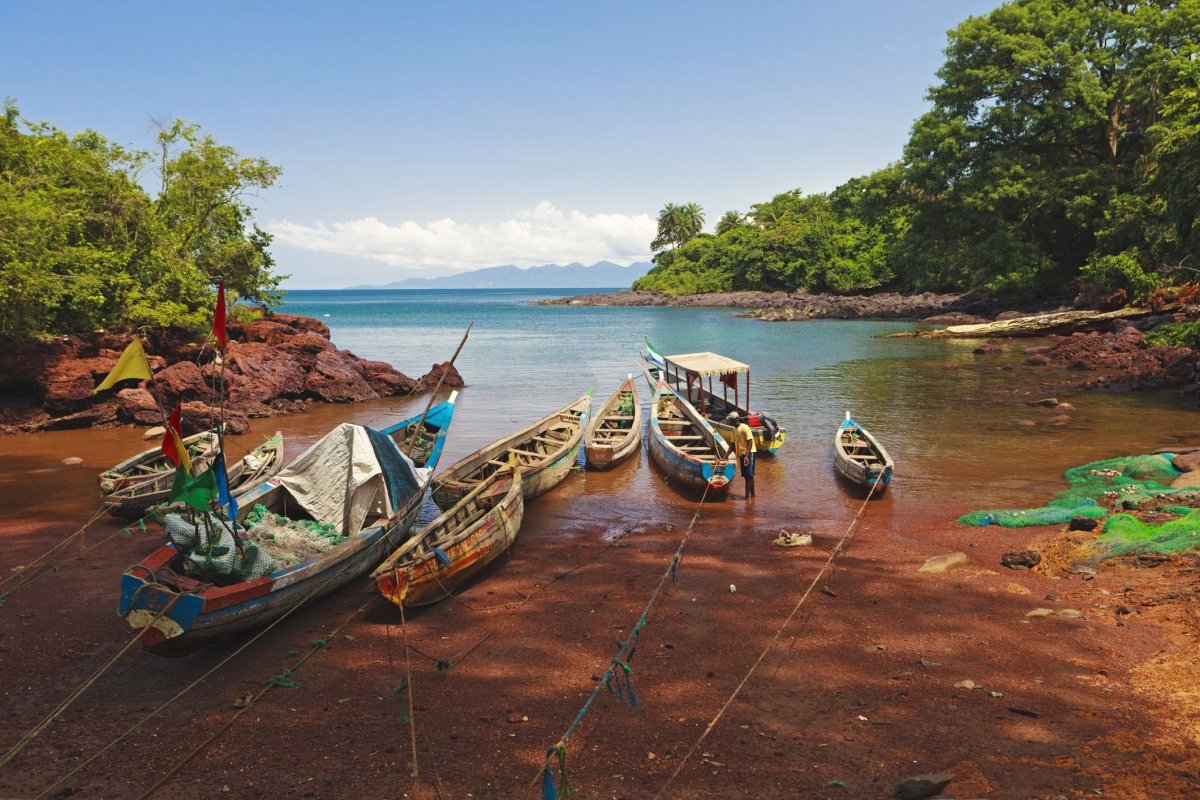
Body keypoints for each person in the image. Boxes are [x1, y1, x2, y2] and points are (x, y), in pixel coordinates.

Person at [727, 411, 756, 499]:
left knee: (748, 476)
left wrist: (747, 456)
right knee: (748, 476)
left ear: (736, 420)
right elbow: (732, 445)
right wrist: (725, 456)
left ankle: (747, 497)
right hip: (742, 455)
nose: (729, 422)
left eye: (730, 420)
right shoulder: (734, 430)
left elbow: (750, 441)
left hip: (749, 453)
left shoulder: (744, 427)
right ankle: (753, 495)